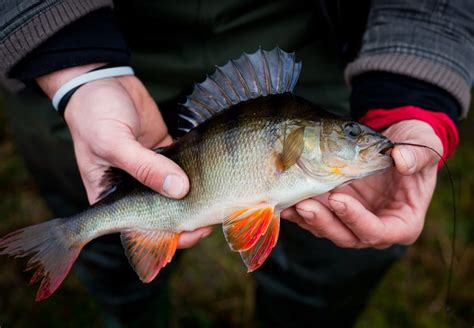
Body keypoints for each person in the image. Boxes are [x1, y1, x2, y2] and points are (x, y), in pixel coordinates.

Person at [0, 0, 472, 326]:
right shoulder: (290, 147)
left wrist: (411, 97)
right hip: (89, 35)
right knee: (100, 228)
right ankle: (120, 305)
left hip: (321, 31)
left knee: (333, 261)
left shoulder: (313, 141)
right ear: (298, 143)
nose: (362, 139)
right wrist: (77, 72)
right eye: (350, 133)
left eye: (353, 132)